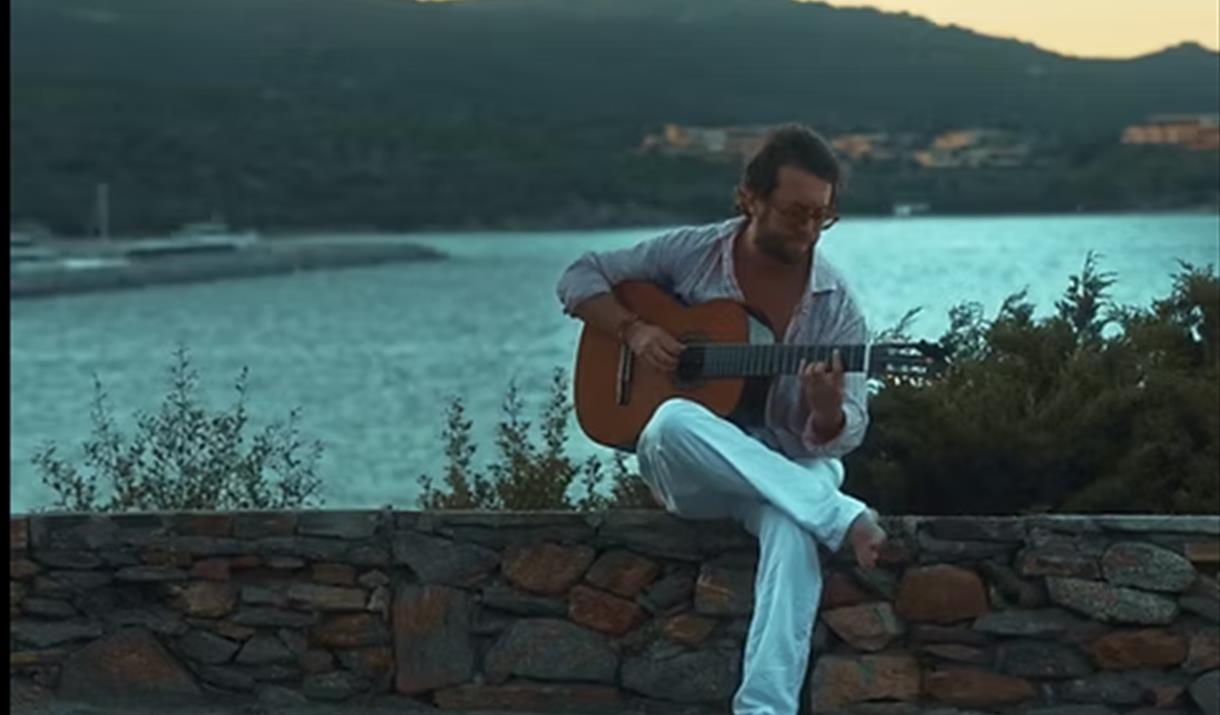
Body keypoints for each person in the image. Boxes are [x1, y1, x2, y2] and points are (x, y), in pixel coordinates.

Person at [555, 124, 887, 715]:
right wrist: (636, 329)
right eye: (794, 213)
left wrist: (826, 409)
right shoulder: (691, 253)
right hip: (695, 468)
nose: (809, 229)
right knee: (673, 417)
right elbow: (580, 275)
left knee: (793, 530)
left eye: (822, 217)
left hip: (785, 463)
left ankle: (764, 709)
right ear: (750, 198)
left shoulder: (837, 305)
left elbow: (850, 427)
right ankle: (842, 515)